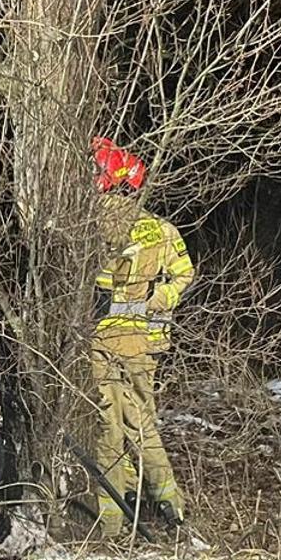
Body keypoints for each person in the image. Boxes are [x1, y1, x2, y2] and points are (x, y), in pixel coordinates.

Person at [89, 137, 194, 535]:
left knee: (108, 426)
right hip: (140, 342)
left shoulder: (85, 224)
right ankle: (170, 506)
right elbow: (184, 273)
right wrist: (158, 301)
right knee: (142, 422)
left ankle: (114, 520)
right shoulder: (160, 228)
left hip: (100, 341)